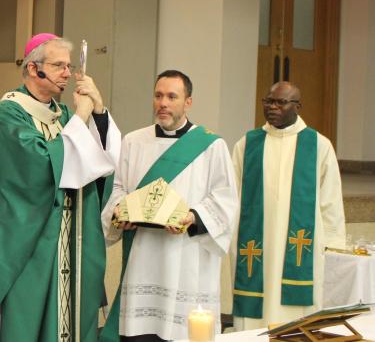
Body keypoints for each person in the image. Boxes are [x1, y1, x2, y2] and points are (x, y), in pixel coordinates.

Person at [0, 33, 121, 342]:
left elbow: (100, 166)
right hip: (25, 249)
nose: (68, 74)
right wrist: (82, 115)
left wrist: (97, 111)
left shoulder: (63, 116)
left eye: (69, 67)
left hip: (64, 246)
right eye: (59, 66)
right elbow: (43, 167)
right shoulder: (9, 114)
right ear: (34, 68)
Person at [101, 70, 238, 342]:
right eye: (158, 95)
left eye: (172, 96)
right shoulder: (134, 141)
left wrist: (193, 217)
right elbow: (118, 188)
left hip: (185, 259)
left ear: (188, 102)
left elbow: (226, 199)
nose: (163, 102)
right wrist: (119, 211)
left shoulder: (212, 146)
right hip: (142, 258)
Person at [231, 81, 346, 330]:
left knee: (297, 322)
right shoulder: (247, 144)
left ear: (297, 106)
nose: (272, 107)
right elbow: (232, 198)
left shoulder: (318, 145)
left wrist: (334, 247)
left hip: (299, 255)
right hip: (255, 251)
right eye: (268, 101)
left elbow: (331, 202)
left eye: (281, 102)